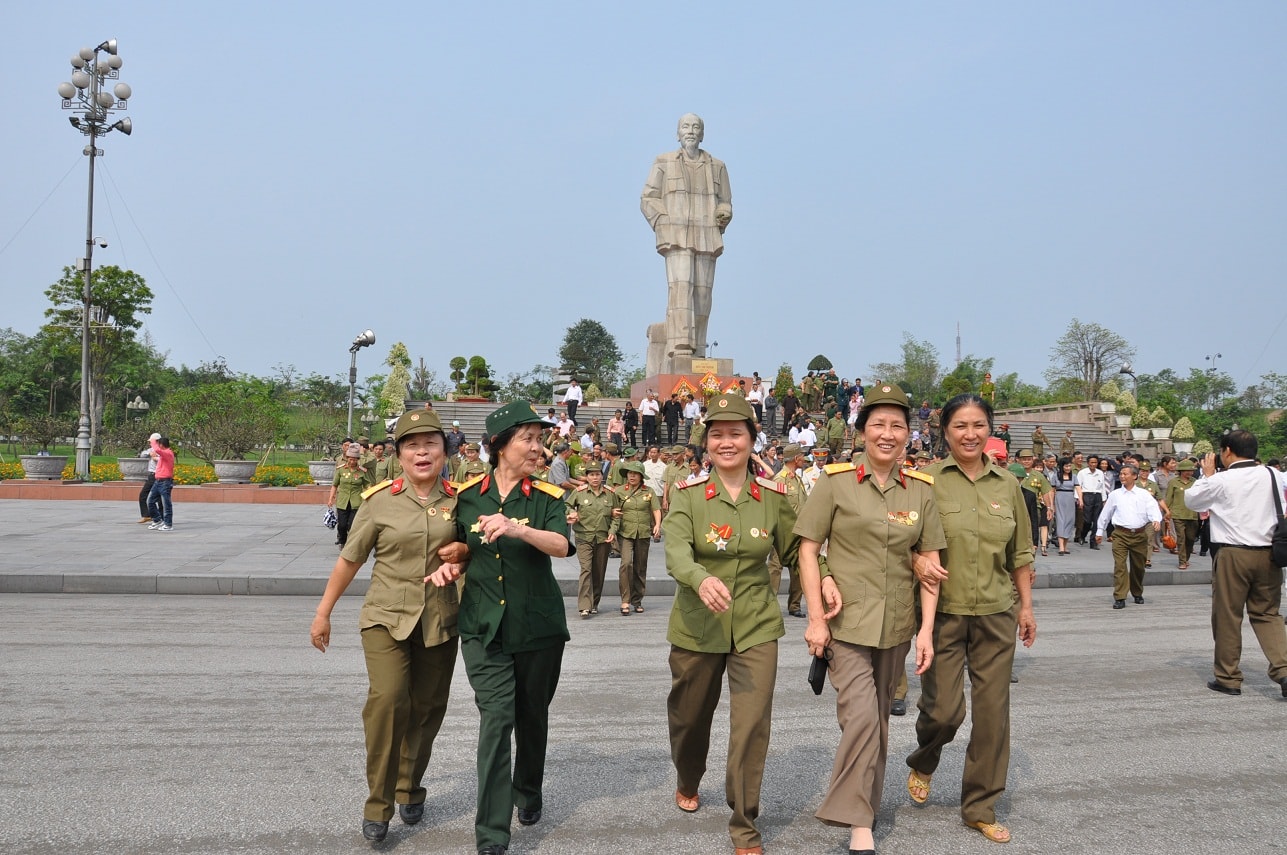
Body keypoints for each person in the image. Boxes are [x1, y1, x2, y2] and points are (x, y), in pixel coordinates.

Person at [795, 382, 945, 855]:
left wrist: (925, 631)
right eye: (878, 424)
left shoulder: (921, 492)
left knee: (877, 719)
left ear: (908, 435)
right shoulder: (835, 482)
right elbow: (808, 547)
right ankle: (859, 821)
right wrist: (816, 617)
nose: (888, 434)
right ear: (861, 432)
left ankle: (865, 805)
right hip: (846, 623)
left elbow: (930, 562)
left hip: (897, 625)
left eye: (897, 426)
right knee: (861, 717)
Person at [308, 409, 467, 843]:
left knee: (428, 708)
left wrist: (464, 553)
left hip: (440, 618)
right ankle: (377, 803)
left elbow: (479, 549)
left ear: (444, 452)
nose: (422, 452)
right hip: (385, 617)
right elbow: (350, 559)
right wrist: (324, 612)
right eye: (412, 445)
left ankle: (409, 786)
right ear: (398, 455)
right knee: (389, 700)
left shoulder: (462, 499)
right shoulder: (379, 500)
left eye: (430, 444)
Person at [426, 401, 574, 855]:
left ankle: (528, 790)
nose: (537, 447)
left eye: (539, 438)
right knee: (497, 719)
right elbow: (461, 542)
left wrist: (516, 529)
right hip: (483, 627)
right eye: (527, 439)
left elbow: (562, 546)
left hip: (538, 628)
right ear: (499, 446)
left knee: (532, 716)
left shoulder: (547, 497)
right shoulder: (467, 496)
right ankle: (491, 833)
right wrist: (454, 557)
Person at [663, 393, 798, 855]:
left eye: (736, 434)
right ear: (705, 442)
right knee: (689, 718)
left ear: (752, 439)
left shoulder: (773, 498)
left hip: (757, 624)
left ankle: (744, 822)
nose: (726, 442)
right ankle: (688, 774)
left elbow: (799, 550)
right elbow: (677, 552)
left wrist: (828, 580)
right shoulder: (687, 494)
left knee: (752, 723)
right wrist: (700, 580)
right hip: (699, 625)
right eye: (717, 434)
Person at [905, 393, 1036, 845]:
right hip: (942, 613)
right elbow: (903, 536)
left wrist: (1026, 606)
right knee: (943, 712)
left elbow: (1020, 552)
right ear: (944, 432)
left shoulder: (1009, 485)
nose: (970, 434)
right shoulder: (927, 482)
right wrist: (915, 562)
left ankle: (980, 805)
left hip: (997, 613)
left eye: (978, 425)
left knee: (993, 714)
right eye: (960, 425)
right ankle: (925, 757)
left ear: (990, 430)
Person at [1184, 430, 1287, 697]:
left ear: (1227, 451)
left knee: (1228, 616)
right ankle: (1284, 669)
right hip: (1269, 553)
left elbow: (1192, 500)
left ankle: (1228, 677)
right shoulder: (1273, 475)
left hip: (1233, 553)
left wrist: (1206, 476)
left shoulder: (1221, 480)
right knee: (1268, 614)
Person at [641, 113, 732, 369]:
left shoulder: (717, 166)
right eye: (685, 126)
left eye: (695, 127)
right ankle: (680, 345)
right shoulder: (664, 161)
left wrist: (724, 213)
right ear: (677, 133)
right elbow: (648, 198)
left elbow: (726, 200)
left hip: (707, 235)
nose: (690, 131)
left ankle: (699, 348)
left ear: (702, 134)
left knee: (703, 294)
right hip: (677, 235)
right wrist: (663, 222)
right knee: (681, 287)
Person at [1095, 463, 1162, 609]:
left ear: (1134, 476)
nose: (1122, 476)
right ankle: (1120, 597)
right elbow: (1106, 513)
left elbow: (1152, 508)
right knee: (1120, 566)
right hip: (1120, 535)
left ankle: (1137, 592)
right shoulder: (1115, 495)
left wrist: (1156, 520)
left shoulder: (1144, 494)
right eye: (1121, 474)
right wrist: (1099, 531)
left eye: (1125, 474)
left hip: (1139, 534)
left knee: (1138, 566)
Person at [611, 460, 662, 615]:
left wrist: (657, 525)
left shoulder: (649, 491)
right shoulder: (619, 491)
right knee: (626, 564)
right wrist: (613, 513)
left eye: (635, 474)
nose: (632, 476)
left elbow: (656, 509)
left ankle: (637, 600)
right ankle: (625, 600)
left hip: (643, 532)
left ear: (641, 476)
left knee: (640, 566)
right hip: (625, 532)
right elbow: (612, 509)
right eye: (630, 473)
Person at [567, 466, 615, 618]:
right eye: (591, 475)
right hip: (583, 537)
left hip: (603, 538)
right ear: (586, 477)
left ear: (602, 476)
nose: (595, 478)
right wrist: (571, 512)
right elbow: (567, 505)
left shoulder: (610, 493)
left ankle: (594, 602)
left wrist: (612, 531)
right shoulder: (579, 492)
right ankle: (584, 606)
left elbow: (617, 514)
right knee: (586, 569)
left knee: (599, 571)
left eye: (597, 474)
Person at [328, 444, 373, 548]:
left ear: (357, 460)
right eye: (350, 459)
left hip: (356, 501)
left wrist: (371, 492)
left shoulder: (362, 471)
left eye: (354, 460)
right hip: (342, 501)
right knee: (342, 525)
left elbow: (367, 484)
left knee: (352, 525)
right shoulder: (341, 470)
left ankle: (351, 543)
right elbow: (334, 485)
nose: (352, 462)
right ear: (347, 458)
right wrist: (331, 498)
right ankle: (342, 540)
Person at [1160, 459, 1200, 569]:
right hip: (1178, 515)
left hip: (1192, 514)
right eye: (1187, 470)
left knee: (1190, 538)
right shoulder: (1174, 482)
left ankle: (1186, 558)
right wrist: (1167, 512)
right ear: (1181, 471)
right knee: (1181, 538)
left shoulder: (1195, 482)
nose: (1190, 473)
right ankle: (1182, 561)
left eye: (1191, 471)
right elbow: (1168, 498)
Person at [145, 435, 176, 531]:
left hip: (165, 482)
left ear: (161, 445)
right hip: (158, 481)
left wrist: (153, 441)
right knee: (150, 501)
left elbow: (158, 450)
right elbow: (157, 455)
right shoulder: (164, 455)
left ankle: (168, 524)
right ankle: (157, 520)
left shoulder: (168, 453)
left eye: (158, 444)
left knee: (166, 504)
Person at [1075, 454, 1105, 548]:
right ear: (1088, 463)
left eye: (1095, 462)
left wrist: (1104, 499)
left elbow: (1103, 487)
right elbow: (1078, 486)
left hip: (1097, 496)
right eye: (1091, 462)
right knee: (1087, 520)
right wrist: (1079, 499)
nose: (1093, 464)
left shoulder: (1100, 473)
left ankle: (1093, 542)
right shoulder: (1082, 473)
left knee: (1097, 520)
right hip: (1086, 495)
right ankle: (1082, 535)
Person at [1051, 457, 1078, 554]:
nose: (1068, 468)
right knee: (1061, 521)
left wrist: (1081, 500)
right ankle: (1061, 547)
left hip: (1070, 499)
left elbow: (1078, 488)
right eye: (1066, 466)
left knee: (1070, 521)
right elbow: (1052, 490)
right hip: (1060, 498)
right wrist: (1051, 503)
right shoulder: (1056, 476)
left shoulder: (1074, 476)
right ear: (1062, 467)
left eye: (1069, 466)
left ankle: (1065, 545)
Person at [136, 431, 161, 524]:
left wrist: (155, 457)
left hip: (156, 475)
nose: (150, 443)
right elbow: (143, 454)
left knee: (156, 497)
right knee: (151, 496)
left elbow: (163, 461)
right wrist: (150, 454)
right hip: (151, 475)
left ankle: (156, 516)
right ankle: (147, 515)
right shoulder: (151, 450)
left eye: (152, 441)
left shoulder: (161, 450)